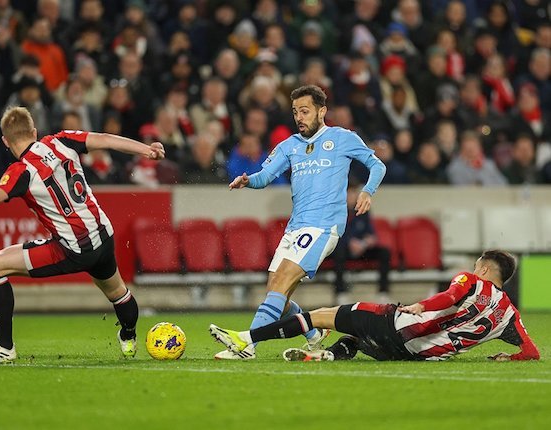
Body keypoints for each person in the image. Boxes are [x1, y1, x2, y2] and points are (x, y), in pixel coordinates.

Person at [0, 106, 165, 364]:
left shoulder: (22, 170)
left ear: (5, 141)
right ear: (33, 131)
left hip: (73, 249)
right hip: (103, 234)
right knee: (117, 291)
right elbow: (106, 139)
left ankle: (3, 346)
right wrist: (146, 150)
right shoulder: (62, 140)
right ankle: (129, 336)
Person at [223, 84, 386, 360]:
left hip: (324, 226)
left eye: (305, 111)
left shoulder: (341, 138)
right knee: (277, 291)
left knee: (284, 278)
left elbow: (377, 165)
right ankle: (314, 334)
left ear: (322, 111)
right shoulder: (289, 146)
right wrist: (249, 180)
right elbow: (265, 175)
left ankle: (247, 344)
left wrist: (367, 192)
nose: (299, 117)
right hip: (295, 227)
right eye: (296, 112)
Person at [210, 250, 540, 362]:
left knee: (320, 316)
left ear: (483, 268)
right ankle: (329, 354)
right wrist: (506, 355)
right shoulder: (510, 315)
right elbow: (531, 352)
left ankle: (246, 340)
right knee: (355, 335)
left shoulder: (471, 280)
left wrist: (420, 306)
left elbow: (451, 297)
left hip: (396, 326)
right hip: (413, 355)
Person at [333, 183, 391, 305]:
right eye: (347, 193)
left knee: (384, 252)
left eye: (353, 193)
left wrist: (369, 240)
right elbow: (333, 234)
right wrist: (349, 242)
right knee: (339, 251)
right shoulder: (335, 211)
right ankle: (341, 293)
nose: (350, 196)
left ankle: (383, 293)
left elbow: (371, 233)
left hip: (361, 249)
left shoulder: (363, 210)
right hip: (344, 249)